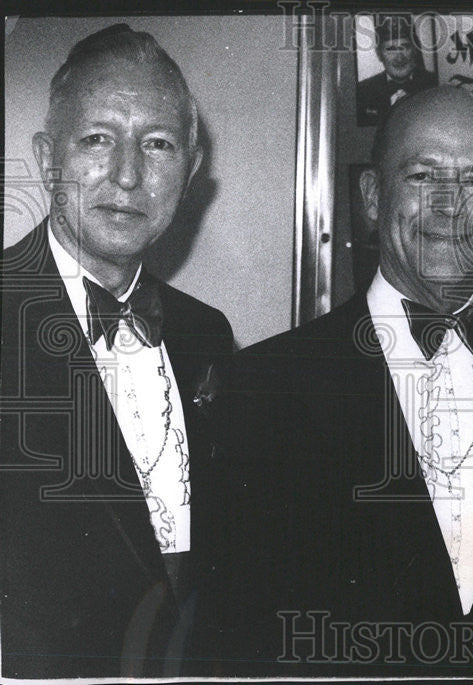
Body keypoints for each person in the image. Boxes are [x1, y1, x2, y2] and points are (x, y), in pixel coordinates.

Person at [201, 86, 473, 677]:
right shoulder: (266, 385)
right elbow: (236, 633)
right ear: (374, 198)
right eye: (425, 175)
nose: (453, 205)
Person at [0, 24, 233, 679]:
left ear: (188, 173)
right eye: (98, 138)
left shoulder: (207, 336)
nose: (128, 175)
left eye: (157, 145)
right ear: (50, 159)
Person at [356, 14, 437, 126]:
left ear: (415, 50)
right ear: (379, 54)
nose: (399, 58)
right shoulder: (362, 92)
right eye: (390, 49)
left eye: (405, 47)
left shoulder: (434, 86)